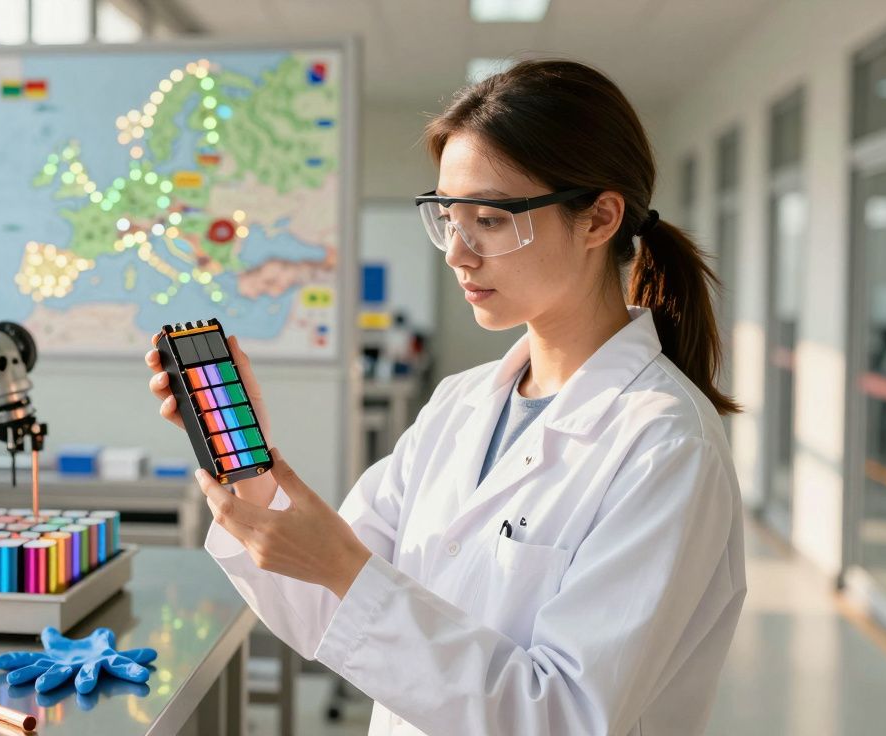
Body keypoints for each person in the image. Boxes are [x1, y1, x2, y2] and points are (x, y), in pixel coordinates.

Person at [144, 59, 746, 736]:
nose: (458, 253)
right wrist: (247, 467)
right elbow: (324, 605)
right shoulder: (460, 406)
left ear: (599, 218)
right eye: (447, 217)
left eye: (489, 219)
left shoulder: (665, 447)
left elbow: (565, 717)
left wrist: (347, 568)